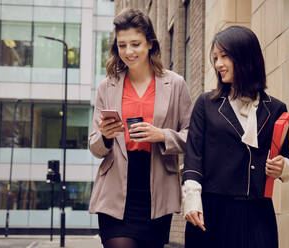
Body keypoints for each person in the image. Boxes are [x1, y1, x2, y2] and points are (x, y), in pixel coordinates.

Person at [182, 25, 289, 248]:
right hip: (212, 212)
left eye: (225, 56)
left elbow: (286, 156)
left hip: (257, 213)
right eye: (215, 58)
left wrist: (283, 166)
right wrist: (192, 200)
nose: (218, 64)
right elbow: (193, 155)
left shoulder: (276, 109)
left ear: (245, 57)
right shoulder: (206, 103)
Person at [88, 9, 192, 248]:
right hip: (115, 191)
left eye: (135, 44)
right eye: (122, 45)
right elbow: (94, 146)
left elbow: (192, 137)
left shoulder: (175, 84)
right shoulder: (107, 87)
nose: (128, 52)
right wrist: (105, 136)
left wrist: (162, 135)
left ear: (150, 44)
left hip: (156, 192)